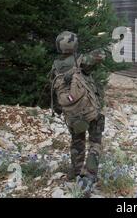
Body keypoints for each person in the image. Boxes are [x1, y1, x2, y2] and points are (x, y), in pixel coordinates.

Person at [51, 31, 106, 184]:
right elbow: (101, 55)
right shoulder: (81, 61)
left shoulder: (55, 66)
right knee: (95, 142)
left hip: (72, 115)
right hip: (91, 112)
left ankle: (75, 172)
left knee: (77, 142)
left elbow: (55, 93)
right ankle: (89, 176)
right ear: (74, 45)